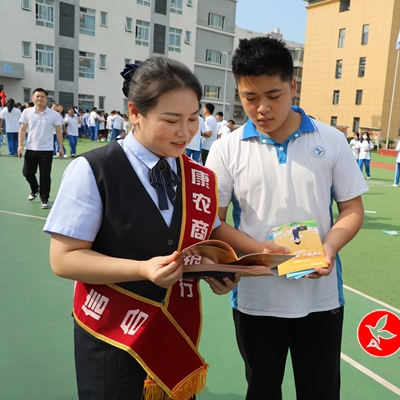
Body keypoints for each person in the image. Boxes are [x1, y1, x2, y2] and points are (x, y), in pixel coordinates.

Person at [42, 57, 262, 400]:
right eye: (171, 120)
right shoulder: (94, 169)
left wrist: (230, 264)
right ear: (135, 113)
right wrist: (143, 270)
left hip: (174, 334)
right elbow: (64, 258)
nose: (185, 132)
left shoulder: (197, 177)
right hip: (112, 336)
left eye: (193, 119)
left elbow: (211, 229)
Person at [205, 36, 368, 400]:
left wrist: (329, 247)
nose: (262, 108)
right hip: (257, 299)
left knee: (321, 392)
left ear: (293, 86)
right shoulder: (226, 149)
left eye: (273, 95)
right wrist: (258, 250)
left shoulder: (331, 140)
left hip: (320, 298)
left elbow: (352, 209)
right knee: (262, 391)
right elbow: (213, 220)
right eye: (250, 97)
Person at [18, 88, 64, 209]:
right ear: (33, 98)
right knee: (27, 173)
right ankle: (35, 189)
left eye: (42, 96)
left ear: (46, 99)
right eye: (37, 96)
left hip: (46, 150)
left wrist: (60, 148)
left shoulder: (54, 114)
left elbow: (59, 132)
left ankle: (44, 199)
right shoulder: (26, 112)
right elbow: (22, 129)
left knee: (45, 176)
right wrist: (20, 145)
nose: (40, 98)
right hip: (30, 148)